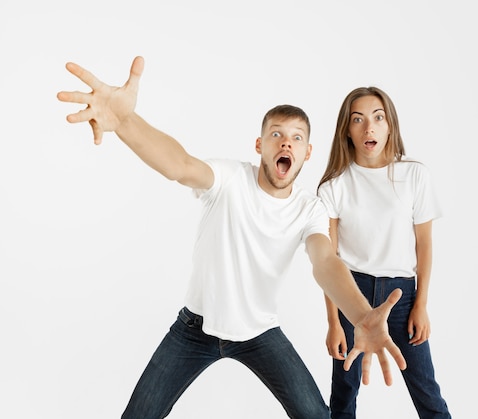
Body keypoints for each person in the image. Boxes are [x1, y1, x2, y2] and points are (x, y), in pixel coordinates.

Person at [57, 57, 408, 419]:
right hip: (194, 329)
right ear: (259, 145)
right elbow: (179, 164)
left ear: (307, 153)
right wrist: (126, 121)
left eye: (296, 138)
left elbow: (325, 261)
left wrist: (361, 315)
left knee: (316, 415)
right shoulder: (229, 179)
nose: (286, 143)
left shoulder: (309, 209)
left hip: (260, 332)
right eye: (276, 135)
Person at [317, 86, 452, 418]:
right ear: (346, 131)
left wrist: (421, 304)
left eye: (378, 118)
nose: (369, 128)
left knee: (426, 391)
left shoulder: (414, 175)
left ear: (389, 124)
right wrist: (333, 321)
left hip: (402, 296)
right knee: (344, 393)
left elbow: (424, 245)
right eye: (358, 120)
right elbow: (328, 260)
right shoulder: (334, 186)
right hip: (352, 293)